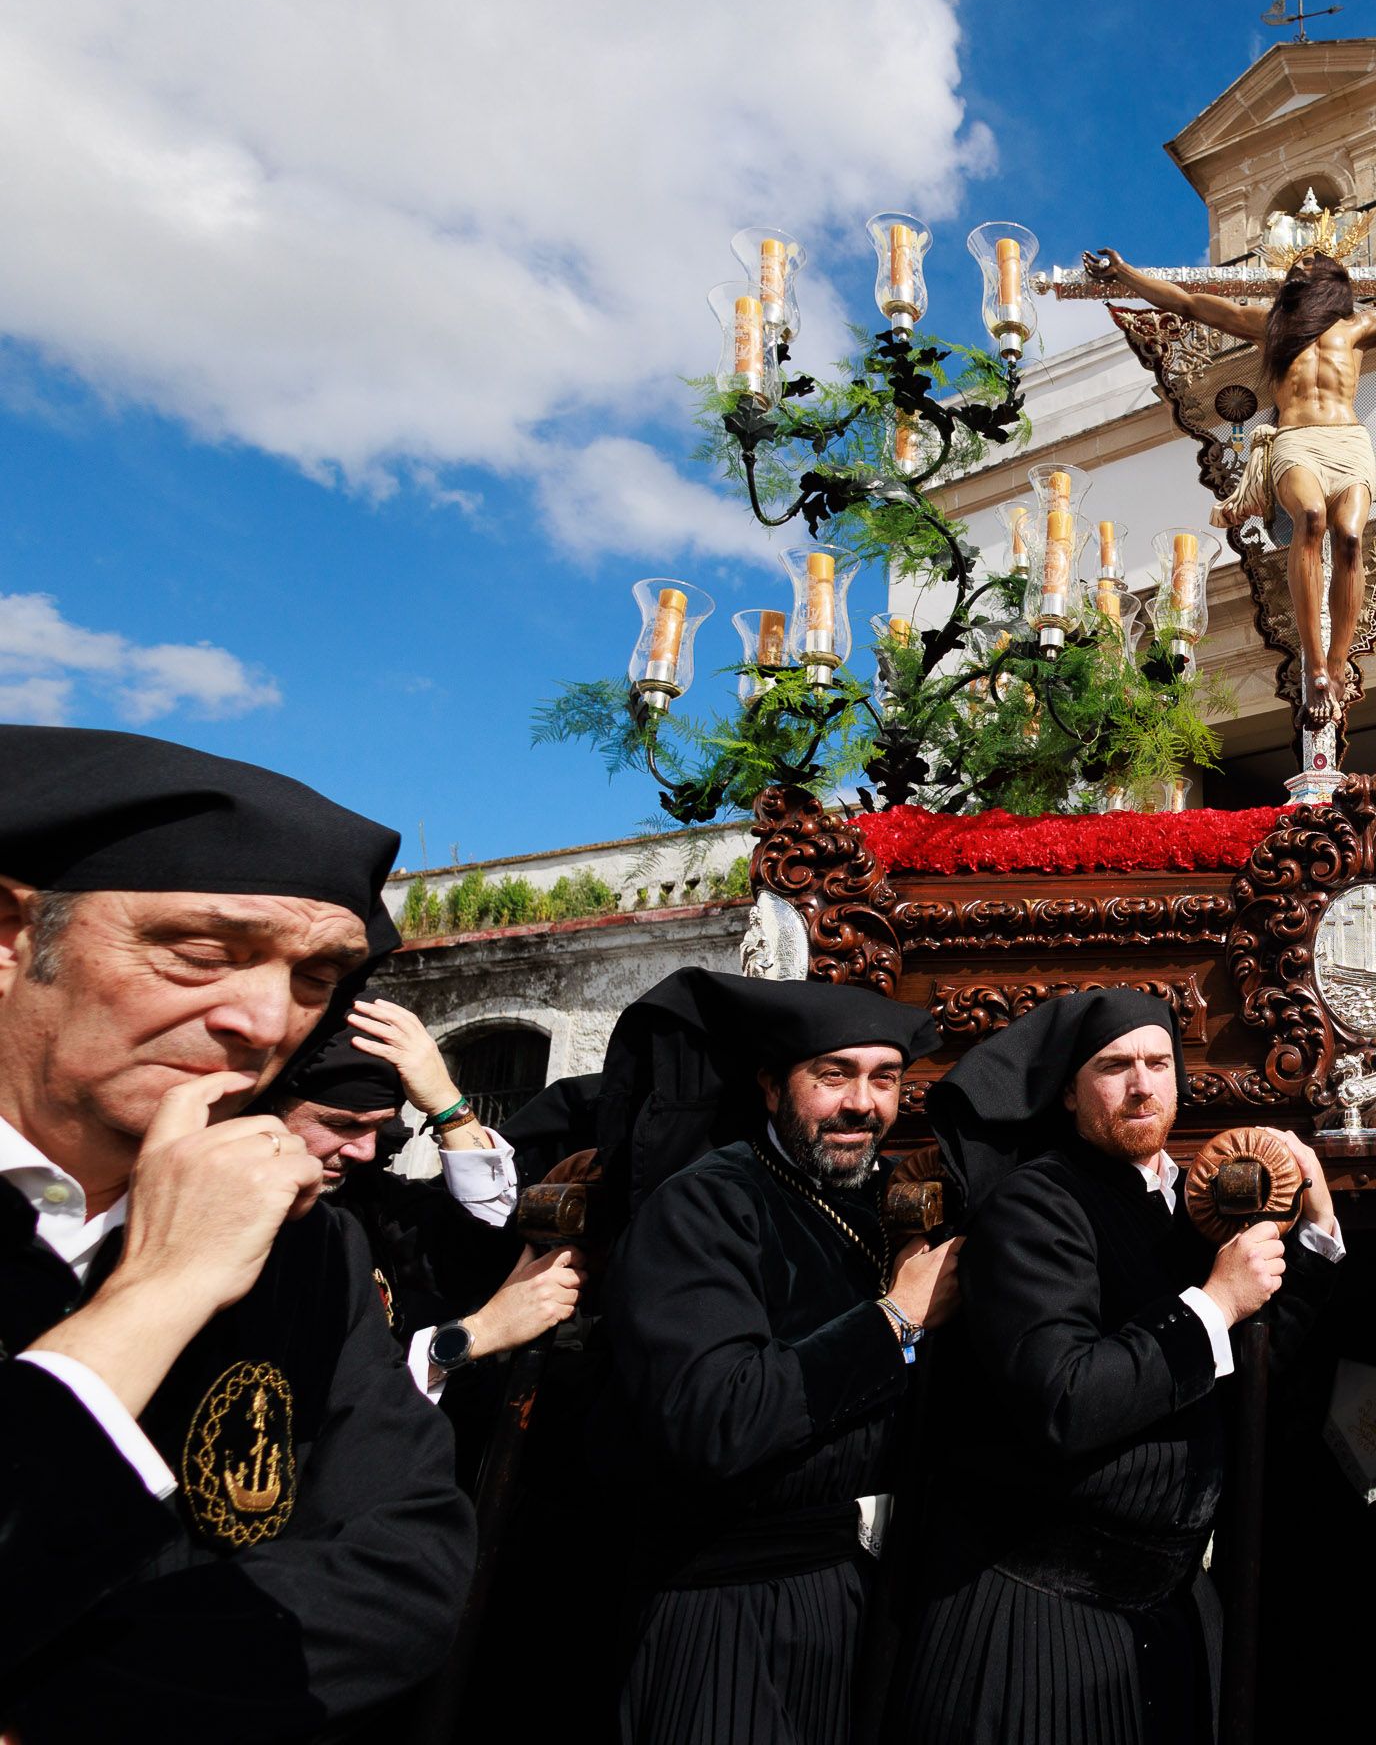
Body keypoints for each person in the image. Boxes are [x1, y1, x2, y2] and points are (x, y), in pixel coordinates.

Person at [0, 725, 471, 1742]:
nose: (266, 1021)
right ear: (10, 934)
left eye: (316, 980)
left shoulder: (310, 1245)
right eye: (205, 953)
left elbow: (407, 1561)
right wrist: (161, 1288)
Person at [900, 988, 1344, 1744]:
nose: (1142, 1084)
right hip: (1039, 1631)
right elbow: (1064, 1399)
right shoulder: (1033, 1205)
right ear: (1070, 1094)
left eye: (1157, 1063)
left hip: (1165, 1613)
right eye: (1114, 1066)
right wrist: (1214, 1301)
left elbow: (1242, 1373)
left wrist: (1317, 1236)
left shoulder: (1177, 1205)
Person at [596, 968, 952, 1745]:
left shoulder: (894, 1195)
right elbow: (717, 1417)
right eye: (835, 1076)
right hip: (734, 1610)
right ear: (769, 1087)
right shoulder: (706, 1204)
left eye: (885, 1078)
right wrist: (894, 1318)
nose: (863, 1103)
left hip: (871, 1606)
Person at [1084, 243, 1376, 724]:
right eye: (1295, 266)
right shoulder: (1270, 327)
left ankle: (1337, 665)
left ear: (1333, 282)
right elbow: (1190, 303)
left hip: (1349, 443)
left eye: (1311, 264)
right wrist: (1127, 273)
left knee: (1353, 539)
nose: (1300, 267)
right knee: (1312, 518)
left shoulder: (1357, 328)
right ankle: (1314, 661)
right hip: (1296, 441)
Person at [263, 997, 582, 1400]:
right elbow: (307, 1402)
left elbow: (484, 1237)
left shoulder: (368, 1201)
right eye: (339, 1124)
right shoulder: (219, 1224)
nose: (362, 1151)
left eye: (377, 1128)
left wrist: (449, 1107)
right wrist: (474, 1336)